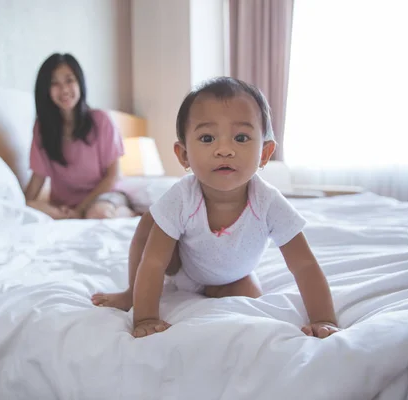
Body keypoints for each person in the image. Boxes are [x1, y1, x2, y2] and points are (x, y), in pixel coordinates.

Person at [92, 77, 341, 339]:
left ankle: (216, 289)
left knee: (249, 301)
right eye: (208, 138)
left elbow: (304, 265)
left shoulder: (268, 202)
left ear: (265, 153)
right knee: (149, 222)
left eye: (241, 137)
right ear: (184, 155)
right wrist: (145, 318)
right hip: (182, 269)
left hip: (236, 276)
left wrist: (323, 318)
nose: (224, 150)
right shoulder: (181, 197)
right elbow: (154, 262)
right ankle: (132, 293)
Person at [25, 53, 134, 219]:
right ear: (46, 90)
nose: (64, 90)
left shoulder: (101, 120)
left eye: (69, 80)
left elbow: (113, 176)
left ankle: (130, 214)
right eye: (54, 83)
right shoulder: (42, 129)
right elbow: (37, 178)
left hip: (103, 197)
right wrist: (23, 205)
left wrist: (81, 209)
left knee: (98, 214)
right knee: (31, 206)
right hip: (64, 206)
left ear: (79, 83)